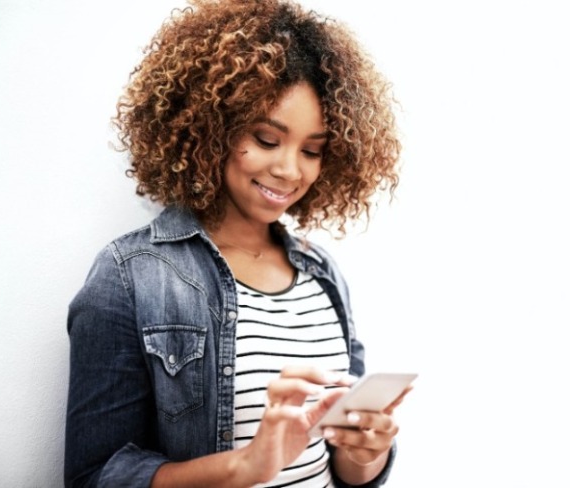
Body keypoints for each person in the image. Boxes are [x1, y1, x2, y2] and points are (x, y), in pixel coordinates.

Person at [64, 0, 405, 486]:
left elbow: (346, 470)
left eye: (312, 150)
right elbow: (95, 476)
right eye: (267, 139)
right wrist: (245, 466)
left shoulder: (321, 273)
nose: (290, 170)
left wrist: (368, 452)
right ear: (211, 127)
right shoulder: (130, 275)